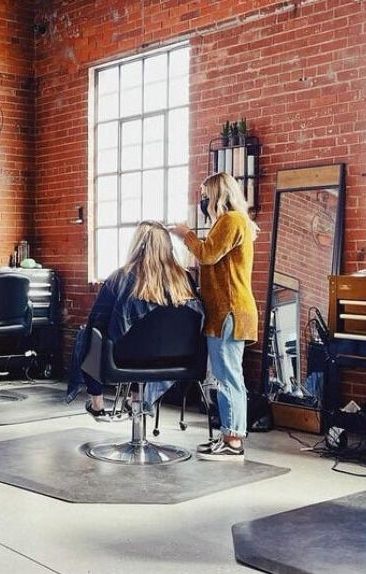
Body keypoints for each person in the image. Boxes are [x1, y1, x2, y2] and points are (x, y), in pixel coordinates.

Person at [65, 220, 204, 419]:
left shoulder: (120, 277)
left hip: (124, 359)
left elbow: (97, 322)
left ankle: (97, 402)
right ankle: (137, 399)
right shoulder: (184, 279)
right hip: (177, 359)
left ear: (137, 244)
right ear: (167, 246)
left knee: (86, 335)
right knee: (148, 340)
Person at [170, 172, 259, 460]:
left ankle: (233, 441)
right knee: (225, 376)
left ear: (218, 194)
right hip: (223, 311)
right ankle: (227, 435)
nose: (203, 200)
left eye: (206, 194)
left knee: (229, 377)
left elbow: (207, 255)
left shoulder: (232, 220)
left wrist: (186, 236)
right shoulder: (229, 222)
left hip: (230, 310)